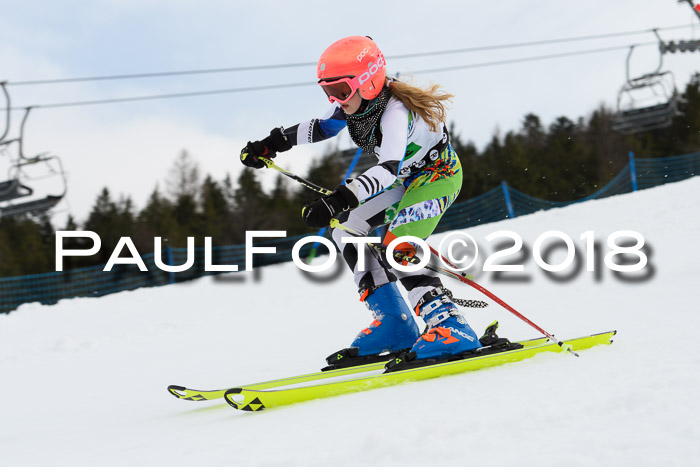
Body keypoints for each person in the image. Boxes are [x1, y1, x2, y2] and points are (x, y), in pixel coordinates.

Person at [240, 36, 482, 364]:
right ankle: (395, 323)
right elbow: (324, 127)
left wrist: (339, 198)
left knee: (400, 247)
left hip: (437, 177)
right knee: (346, 229)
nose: (335, 99)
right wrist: (273, 143)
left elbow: (387, 168)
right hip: (404, 180)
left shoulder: (395, 110)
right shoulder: (357, 103)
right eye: (327, 91)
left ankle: (450, 326)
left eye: (340, 90)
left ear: (367, 82)